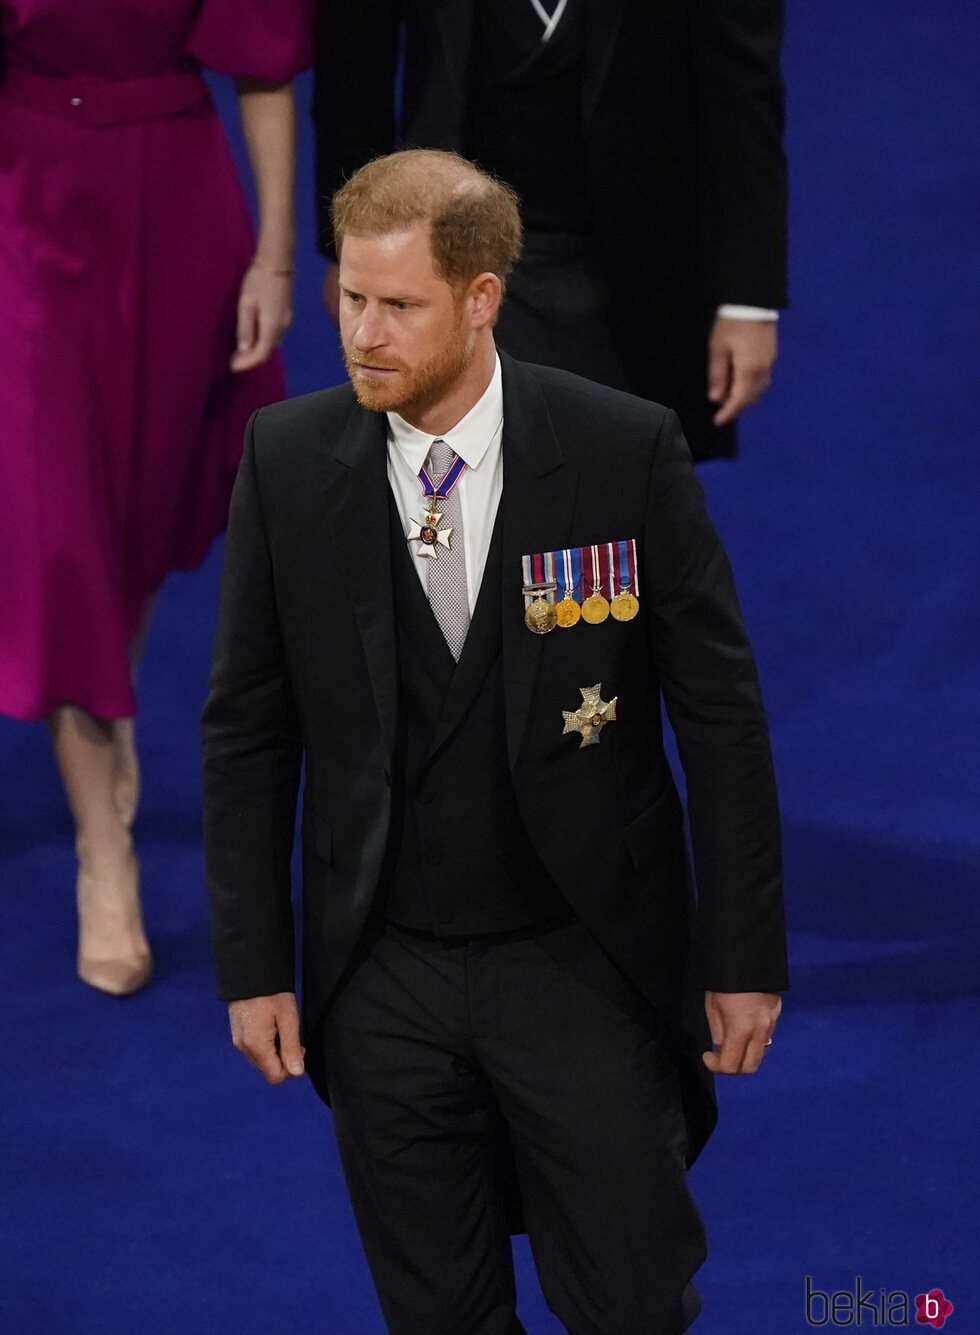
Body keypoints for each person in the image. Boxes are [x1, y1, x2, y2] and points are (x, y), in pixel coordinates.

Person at [203, 150, 787, 1334]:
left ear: (481, 297)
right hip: (382, 978)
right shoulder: (284, 462)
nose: (363, 333)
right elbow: (248, 732)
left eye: (399, 305)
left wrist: (742, 954)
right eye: (351, 299)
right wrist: (256, 963)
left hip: (580, 962)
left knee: (628, 1302)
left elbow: (719, 716)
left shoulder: (623, 451)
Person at [0, 1, 312, 995]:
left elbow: (263, 68)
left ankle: (102, 703)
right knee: (60, 532)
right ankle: (105, 855)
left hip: (177, 203)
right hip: (25, 204)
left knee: (135, 512)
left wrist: (270, 256)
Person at [311, 0, 789, 463]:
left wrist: (747, 300)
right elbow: (352, 68)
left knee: (619, 504)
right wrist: (351, 248)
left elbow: (742, 90)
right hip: (452, 258)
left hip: (642, 274)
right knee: (446, 497)